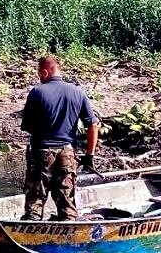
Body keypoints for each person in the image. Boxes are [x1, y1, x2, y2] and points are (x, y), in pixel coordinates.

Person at [19, 55, 100, 221]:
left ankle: (31, 234)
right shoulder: (78, 92)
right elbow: (93, 125)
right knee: (66, 200)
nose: (39, 78)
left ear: (44, 72)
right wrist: (89, 155)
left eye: (39, 74)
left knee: (35, 199)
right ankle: (70, 235)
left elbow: (27, 127)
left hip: (41, 152)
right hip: (67, 153)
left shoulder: (37, 92)